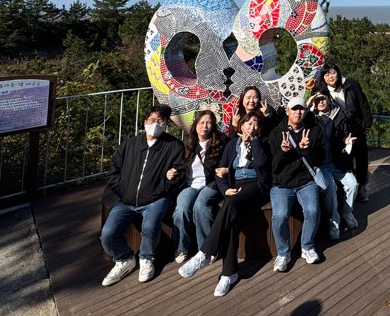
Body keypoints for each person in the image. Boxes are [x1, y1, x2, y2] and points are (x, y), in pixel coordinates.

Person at [177, 111, 271, 296]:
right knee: (230, 222)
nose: (252, 126)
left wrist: (253, 141)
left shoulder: (263, 143)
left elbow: (261, 163)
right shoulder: (232, 144)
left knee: (230, 204)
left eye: (256, 124)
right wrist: (225, 189)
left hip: (255, 186)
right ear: (241, 125)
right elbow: (220, 172)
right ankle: (229, 273)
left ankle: (204, 253)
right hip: (235, 187)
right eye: (248, 123)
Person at [100, 104, 184, 286]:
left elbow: (179, 174)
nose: (155, 124)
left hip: (156, 199)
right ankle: (124, 259)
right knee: (107, 234)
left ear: (166, 124)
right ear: (145, 122)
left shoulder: (174, 146)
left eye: (160, 121)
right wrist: (123, 189)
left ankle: (146, 257)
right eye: (152, 120)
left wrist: (163, 187)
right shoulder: (130, 144)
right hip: (126, 200)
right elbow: (113, 170)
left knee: (150, 227)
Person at [268, 94, 324, 271]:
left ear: (305, 111)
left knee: (312, 210)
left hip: (306, 182)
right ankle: (283, 253)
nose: (298, 112)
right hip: (282, 184)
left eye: (301, 109)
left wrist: (307, 150)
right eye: (294, 109)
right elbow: (273, 167)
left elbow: (319, 159)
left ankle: (307, 246)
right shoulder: (276, 133)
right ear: (287, 111)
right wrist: (283, 152)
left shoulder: (314, 131)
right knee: (280, 216)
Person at [171, 109, 226, 264]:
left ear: (213, 125)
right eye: (202, 122)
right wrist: (172, 171)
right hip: (190, 185)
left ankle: (206, 249)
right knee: (181, 209)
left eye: (209, 123)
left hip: (211, 184)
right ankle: (181, 247)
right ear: (195, 125)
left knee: (200, 206)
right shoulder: (187, 143)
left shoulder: (220, 142)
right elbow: (179, 165)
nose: (205, 126)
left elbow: (225, 161)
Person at [308, 87, 359, 240]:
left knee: (353, 184)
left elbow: (344, 134)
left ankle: (347, 212)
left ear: (329, 99)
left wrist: (346, 141)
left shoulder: (339, 115)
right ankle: (334, 220)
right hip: (321, 164)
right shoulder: (311, 118)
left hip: (338, 162)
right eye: (317, 99)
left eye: (323, 98)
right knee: (330, 188)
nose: (320, 102)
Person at [319, 62, 373, 201]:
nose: (331, 76)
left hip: (357, 127)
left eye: (333, 72)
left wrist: (366, 125)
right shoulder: (323, 91)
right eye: (327, 74)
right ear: (323, 77)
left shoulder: (350, 84)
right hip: (340, 131)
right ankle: (350, 188)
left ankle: (361, 187)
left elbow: (363, 104)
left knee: (361, 159)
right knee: (346, 159)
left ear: (338, 72)